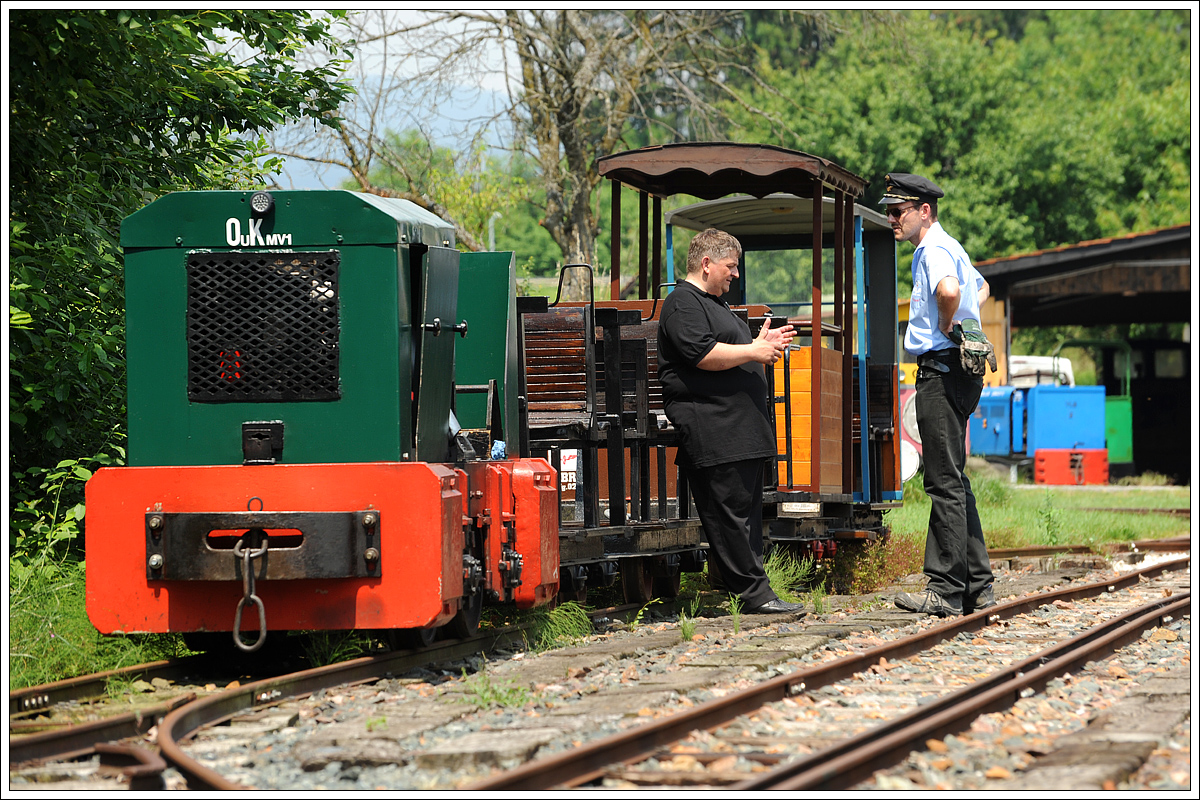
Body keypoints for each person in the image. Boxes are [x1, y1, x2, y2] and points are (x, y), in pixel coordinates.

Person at [657, 228, 803, 615]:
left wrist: (762, 344)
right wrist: (754, 350)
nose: (735, 275)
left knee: (747, 516)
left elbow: (732, 349)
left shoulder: (714, 303)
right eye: (730, 266)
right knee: (732, 518)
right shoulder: (682, 304)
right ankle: (756, 597)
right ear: (706, 264)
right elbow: (701, 354)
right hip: (714, 429)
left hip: (740, 430)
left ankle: (748, 589)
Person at [882, 173, 995, 617]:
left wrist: (950, 325)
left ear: (923, 211)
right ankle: (978, 586)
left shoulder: (932, 249)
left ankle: (945, 589)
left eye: (898, 212)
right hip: (961, 371)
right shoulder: (952, 246)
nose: (892, 219)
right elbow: (981, 287)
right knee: (956, 479)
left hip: (942, 370)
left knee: (943, 481)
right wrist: (968, 321)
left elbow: (951, 291)